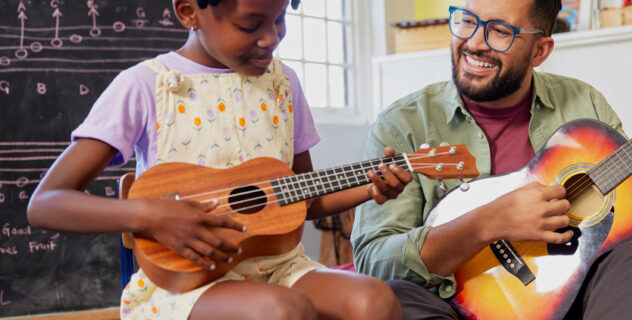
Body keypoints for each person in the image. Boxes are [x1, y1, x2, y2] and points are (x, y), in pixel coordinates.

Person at [352, 0, 632, 318]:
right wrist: (485, 224)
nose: (474, 42)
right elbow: (373, 260)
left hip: (565, 297)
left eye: (499, 31)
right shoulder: (403, 123)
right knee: (395, 297)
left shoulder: (583, 105)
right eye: (465, 19)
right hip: (452, 303)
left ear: (540, 51)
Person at [26, 0, 412, 319]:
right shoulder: (147, 85)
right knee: (280, 311)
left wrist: (369, 187)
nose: (271, 38)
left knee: (375, 301)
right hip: (187, 286)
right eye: (250, 25)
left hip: (280, 268)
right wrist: (150, 216)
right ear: (189, 12)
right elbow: (46, 204)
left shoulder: (284, 84)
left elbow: (302, 200)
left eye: (280, 20)